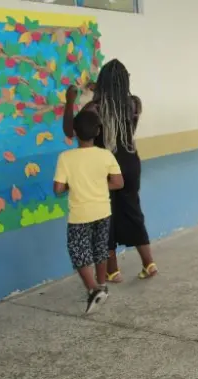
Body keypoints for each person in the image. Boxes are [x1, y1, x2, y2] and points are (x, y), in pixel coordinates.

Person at [63, 59, 157, 283]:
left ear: (103, 83)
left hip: (104, 166)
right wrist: (101, 89)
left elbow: (70, 130)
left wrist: (69, 102)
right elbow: (115, 106)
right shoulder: (134, 103)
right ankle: (149, 263)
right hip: (131, 164)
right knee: (133, 212)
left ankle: (112, 271)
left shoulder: (94, 108)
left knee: (106, 217)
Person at [54, 111, 124, 313]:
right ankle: (101, 285)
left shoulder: (66, 158)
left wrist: (73, 185)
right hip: (103, 210)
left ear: (74, 132)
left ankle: (93, 289)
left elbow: (58, 190)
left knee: (78, 252)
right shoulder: (105, 154)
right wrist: (99, 185)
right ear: (98, 131)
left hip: (80, 214)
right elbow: (118, 182)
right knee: (100, 247)